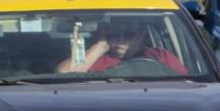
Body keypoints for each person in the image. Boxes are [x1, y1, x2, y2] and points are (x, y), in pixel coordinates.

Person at [57, 19, 186, 75]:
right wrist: (101, 45)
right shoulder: (94, 59)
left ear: (142, 35)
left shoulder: (160, 57)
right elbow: (63, 75)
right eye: (114, 34)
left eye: (128, 34)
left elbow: (185, 85)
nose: (120, 40)